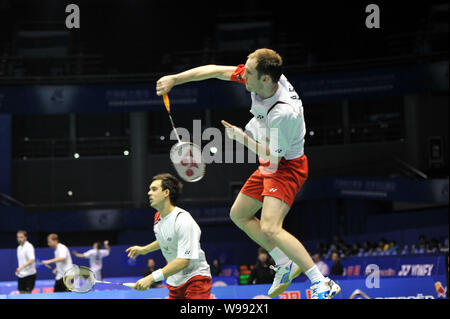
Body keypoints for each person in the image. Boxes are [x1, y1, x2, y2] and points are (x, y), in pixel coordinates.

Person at [155, 48, 341, 299]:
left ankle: (321, 281)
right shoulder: (262, 80)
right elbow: (216, 71)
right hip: (268, 157)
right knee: (239, 214)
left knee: (271, 226)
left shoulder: (283, 112)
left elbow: (277, 158)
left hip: (287, 166)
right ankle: (283, 262)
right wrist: (175, 79)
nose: (244, 75)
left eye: (249, 72)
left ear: (265, 79)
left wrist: (241, 139)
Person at [126, 173, 212, 299]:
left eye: (154, 189)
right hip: (174, 281)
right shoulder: (158, 218)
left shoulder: (183, 220)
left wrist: (151, 278)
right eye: (150, 189)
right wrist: (144, 250)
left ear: (166, 192)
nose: (149, 193)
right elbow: (165, 240)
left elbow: (183, 261)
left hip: (195, 278)